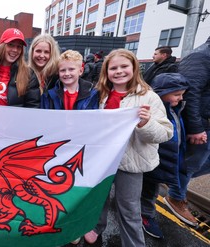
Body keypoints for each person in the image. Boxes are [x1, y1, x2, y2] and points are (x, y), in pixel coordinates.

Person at [75, 48, 173, 246]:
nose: (119, 71)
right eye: (113, 68)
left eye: (124, 66)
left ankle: (134, 243)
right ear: (107, 71)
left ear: (134, 68)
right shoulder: (100, 94)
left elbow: (165, 133)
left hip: (131, 163)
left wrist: (146, 124)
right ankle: (96, 226)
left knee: (129, 209)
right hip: (102, 160)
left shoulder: (148, 97)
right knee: (97, 199)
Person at [163, 36, 210, 227]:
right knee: (191, 162)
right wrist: (196, 128)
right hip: (201, 125)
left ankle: (172, 179)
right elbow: (189, 93)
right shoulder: (200, 56)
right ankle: (175, 196)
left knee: (197, 164)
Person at [140, 73, 189, 239]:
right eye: (176, 94)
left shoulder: (175, 109)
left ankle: (145, 214)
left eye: (182, 94)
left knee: (150, 190)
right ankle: (145, 215)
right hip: (151, 159)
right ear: (161, 93)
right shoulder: (154, 109)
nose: (180, 98)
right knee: (147, 190)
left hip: (163, 160)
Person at [0, 28, 40, 108]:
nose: (15, 50)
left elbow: (33, 106)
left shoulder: (29, 74)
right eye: (11, 45)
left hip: (14, 120)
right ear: (2, 46)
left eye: (19, 47)